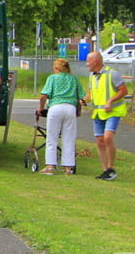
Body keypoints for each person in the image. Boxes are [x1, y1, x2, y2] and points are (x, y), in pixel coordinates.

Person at [37, 58, 86, 176]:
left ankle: (50, 166)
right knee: (69, 138)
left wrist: (41, 108)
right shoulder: (74, 79)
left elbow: (44, 96)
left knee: (52, 137)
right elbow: (81, 97)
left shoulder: (52, 78)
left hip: (55, 108)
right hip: (70, 109)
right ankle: (68, 168)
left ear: (57, 68)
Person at [84, 51, 128, 180]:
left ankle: (111, 168)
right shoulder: (92, 76)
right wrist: (82, 101)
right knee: (100, 142)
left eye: (88, 61)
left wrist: (111, 101)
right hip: (98, 113)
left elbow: (124, 90)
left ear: (95, 62)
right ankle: (105, 171)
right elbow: (91, 94)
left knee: (108, 138)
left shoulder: (112, 74)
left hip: (112, 112)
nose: (86, 64)